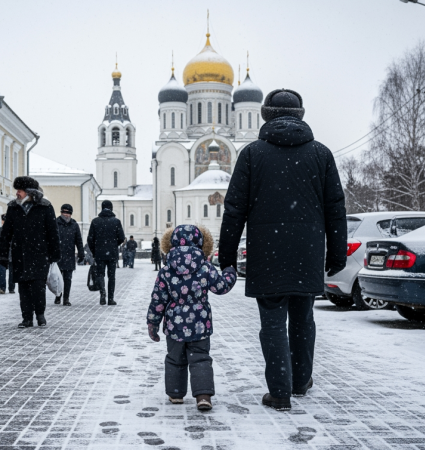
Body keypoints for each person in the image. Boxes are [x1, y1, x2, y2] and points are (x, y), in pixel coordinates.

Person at [218, 89, 347, 411]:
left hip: (267, 251)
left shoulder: (252, 154)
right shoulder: (320, 153)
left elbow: (234, 209)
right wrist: (337, 253)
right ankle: (300, 381)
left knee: (273, 321)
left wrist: (227, 256)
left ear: (265, 115)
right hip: (307, 251)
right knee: (303, 318)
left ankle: (279, 392)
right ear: (300, 115)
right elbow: (335, 208)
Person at [146, 225, 237, 411]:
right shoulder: (205, 267)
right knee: (200, 358)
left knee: (175, 359)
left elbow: (158, 300)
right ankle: (203, 396)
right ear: (201, 243)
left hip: (174, 325)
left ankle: (176, 394)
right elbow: (221, 287)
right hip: (200, 323)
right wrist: (230, 272)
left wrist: (153, 323)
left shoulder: (166, 270)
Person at [0, 176, 61, 328]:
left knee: (38, 286)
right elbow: (6, 233)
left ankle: (40, 315)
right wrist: (3, 254)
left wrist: (55, 253)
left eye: (20, 190)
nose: (17, 193)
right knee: (24, 288)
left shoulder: (45, 207)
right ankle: (26, 318)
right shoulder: (13, 207)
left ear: (29, 192)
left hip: (40, 254)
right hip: (20, 254)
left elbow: (53, 232)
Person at [87, 200, 125, 306]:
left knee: (100, 274)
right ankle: (111, 298)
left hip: (99, 253)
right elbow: (121, 238)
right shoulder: (116, 221)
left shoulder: (95, 221)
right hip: (112, 253)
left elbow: (90, 239)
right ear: (111, 208)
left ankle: (102, 294)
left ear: (102, 208)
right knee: (111, 276)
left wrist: (95, 250)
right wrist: (114, 245)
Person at [54, 204, 84, 306]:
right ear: (61, 212)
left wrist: (81, 254)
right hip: (57, 255)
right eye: (64, 212)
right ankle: (58, 295)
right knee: (57, 278)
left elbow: (79, 241)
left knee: (67, 279)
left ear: (71, 214)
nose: (66, 214)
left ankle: (66, 298)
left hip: (69, 255)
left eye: (68, 213)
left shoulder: (74, 225)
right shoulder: (56, 223)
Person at [0, 214, 11, 294]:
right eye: (3, 220)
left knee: (11, 272)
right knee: (2, 272)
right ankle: (2, 288)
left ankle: (11, 288)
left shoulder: (13, 230)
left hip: (11, 254)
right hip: (2, 254)